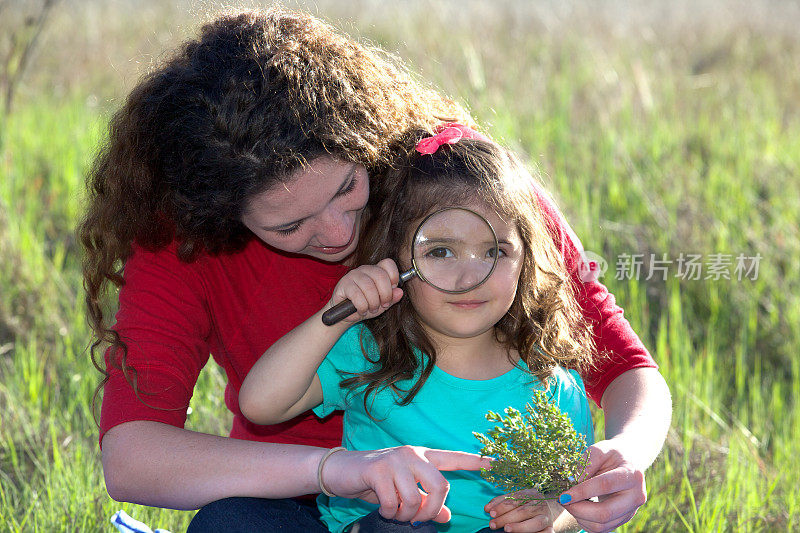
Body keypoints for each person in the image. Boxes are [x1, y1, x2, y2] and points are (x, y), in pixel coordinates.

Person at [79, 7, 670, 533]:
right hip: (297, 500)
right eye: (289, 228)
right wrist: (334, 468)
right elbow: (133, 458)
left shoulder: (451, 184)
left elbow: (623, 363)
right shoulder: (184, 237)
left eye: (347, 187)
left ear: (361, 135)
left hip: (456, 515)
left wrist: (623, 456)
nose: (339, 235)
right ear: (219, 216)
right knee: (231, 523)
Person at [239, 124, 597, 533]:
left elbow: (581, 502)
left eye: (495, 252)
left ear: (525, 261)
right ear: (395, 262)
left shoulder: (551, 384)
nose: (468, 277)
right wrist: (334, 316)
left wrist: (553, 515)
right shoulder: (371, 350)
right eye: (440, 252)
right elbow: (260, 405)